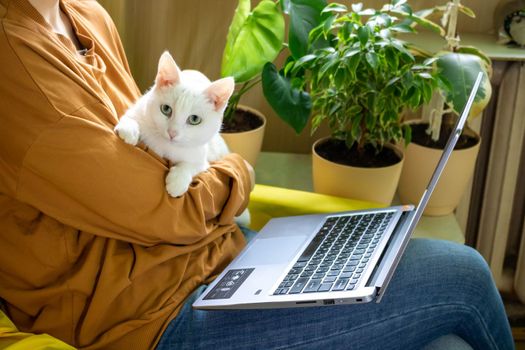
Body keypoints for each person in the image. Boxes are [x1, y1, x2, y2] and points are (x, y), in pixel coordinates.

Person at [0, 0, 515, 349]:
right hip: (149, 313)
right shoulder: (15, 64)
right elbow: (160, 208)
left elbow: (153, 156)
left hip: (215, 255)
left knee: (448, 341)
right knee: (466, 277)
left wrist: (221, 183)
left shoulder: (82, 12)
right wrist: (238, 172)